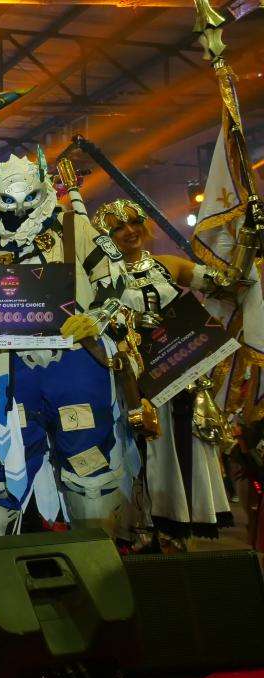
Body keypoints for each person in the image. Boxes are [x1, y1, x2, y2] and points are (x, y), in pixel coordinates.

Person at [0, 150, 137, 538]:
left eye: (29, 198)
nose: (20, 209)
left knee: (89, 467)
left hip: (75, 360)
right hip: (10, 367)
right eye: (9, 200)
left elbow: (118, 280)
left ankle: (97, 560)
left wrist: (96, 318)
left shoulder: (73, 227)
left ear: (43, 189)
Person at [96, 199, 234, 545]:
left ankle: (178, 526)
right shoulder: (98, 278)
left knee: (183, 444)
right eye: (118, 227)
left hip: (179, 375)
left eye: (133, 223)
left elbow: (227, 285)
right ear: (105, 237)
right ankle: (140, 531)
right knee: (137, 450)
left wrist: (245, 242)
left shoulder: (168, 265)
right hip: (129, 382)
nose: (129, 232)